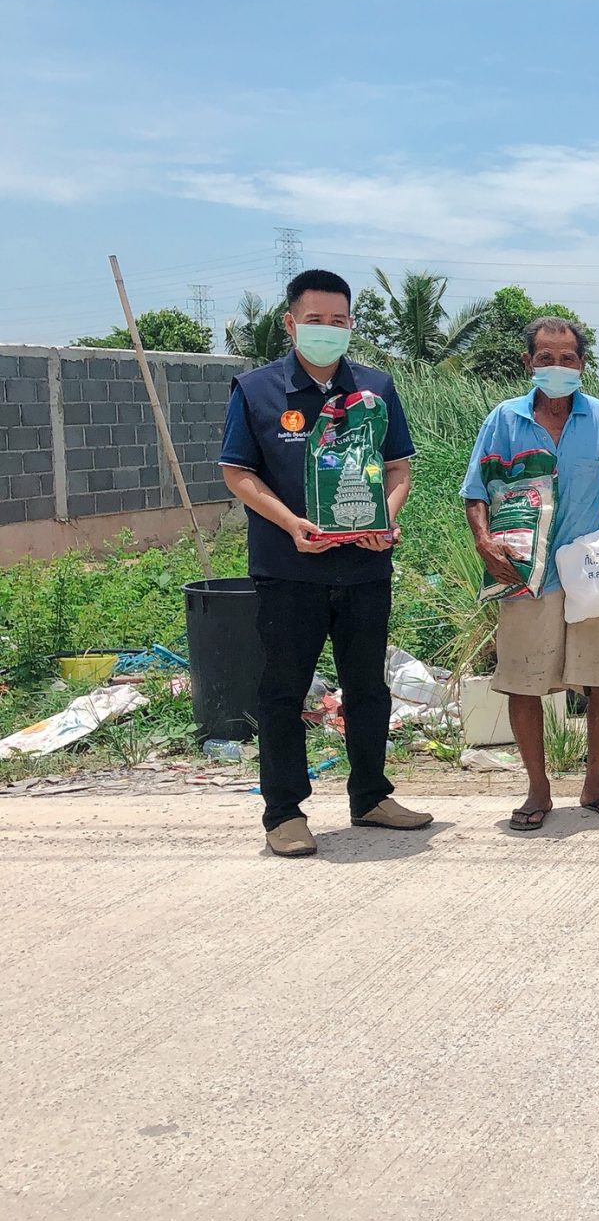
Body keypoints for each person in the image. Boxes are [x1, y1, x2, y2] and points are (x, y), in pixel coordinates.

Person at [220, 268, 431, 858]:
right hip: (291, 570)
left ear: (351, 325)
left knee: (368, 688)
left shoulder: (376, 387)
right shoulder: (257, 390)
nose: (328, 330)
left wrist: (385, 520)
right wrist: (293, 525)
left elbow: (398, 470)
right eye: (315, 321)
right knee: (283, 692)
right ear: (291, 323)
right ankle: (284, 813)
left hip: (364, 568)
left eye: (339, 321)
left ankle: (370, 796)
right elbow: (238, 473)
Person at [462, 317, 599, 831]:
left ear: (582, 364)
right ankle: (537, 790)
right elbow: (476, 488)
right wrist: (483, 539)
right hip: (525, 571)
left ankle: (595, 784)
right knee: (524, 683)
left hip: (592, 573)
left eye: (567, 358)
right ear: (528, 363)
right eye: (545, 357)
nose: (556, 367)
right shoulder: (504, 419)